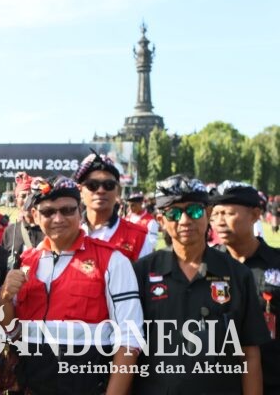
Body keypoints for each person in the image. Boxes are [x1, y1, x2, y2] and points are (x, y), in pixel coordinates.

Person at [0, 176, 144, 395]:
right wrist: (5, 298)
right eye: (48, 212)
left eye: (67, 210)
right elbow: (9, 331)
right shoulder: (25, 261)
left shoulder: (112, 260)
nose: (58, 218)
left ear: (80, 212)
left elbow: (129, 339)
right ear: (35, 215)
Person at [133, 174, 270, 394]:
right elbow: (128, 349)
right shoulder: (141, 273)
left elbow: (250, 353)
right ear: (161, 221)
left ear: (208, 213)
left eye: (195, 211)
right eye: (174, 213)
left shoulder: (237, 274)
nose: (185, 221)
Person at [210, 180, 280, 394]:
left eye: (228, 213)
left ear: (255, 215)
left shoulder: (276, 263)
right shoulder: (206, 265)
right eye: (215, 214)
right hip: (218, 382)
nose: (220, 222)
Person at [73, 151, 152, 262]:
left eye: (108, 185)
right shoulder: (69, 233)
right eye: (92, 185)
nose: (101, 190)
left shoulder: (139, 237)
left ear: (117, 190)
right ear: (80, 190)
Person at [2, 172, 44, 269]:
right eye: (23, 196)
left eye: (32, 196)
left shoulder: (49, 229)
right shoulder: (10, 231)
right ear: (16, 201)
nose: (28, 201)